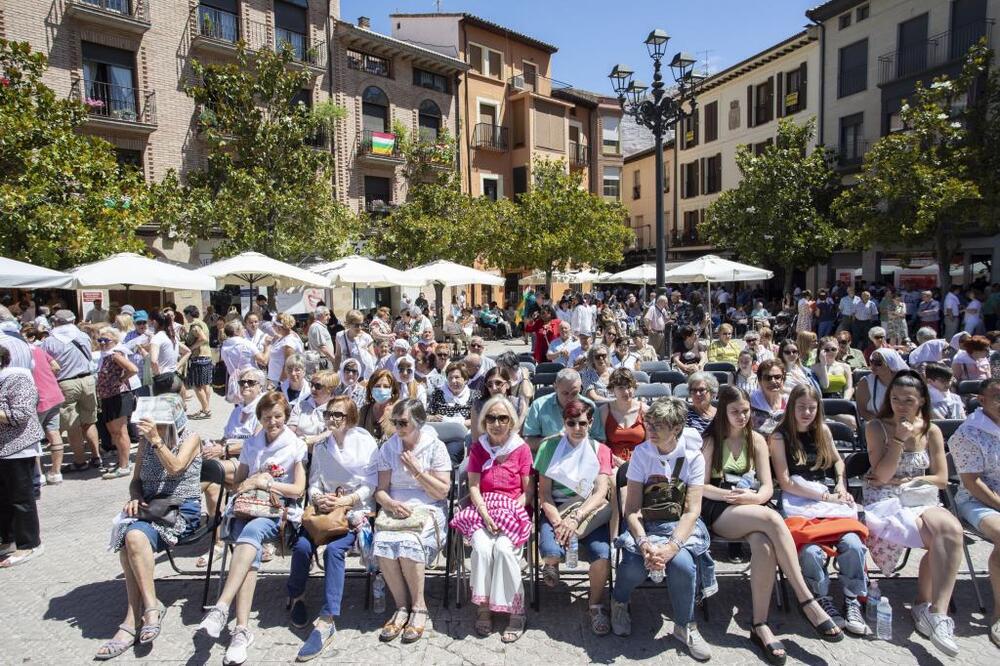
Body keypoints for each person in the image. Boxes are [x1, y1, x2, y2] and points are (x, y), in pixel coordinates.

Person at [701, 386, 844, 661]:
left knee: (764, 546)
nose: (742, 417)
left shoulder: (756, 439)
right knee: (771, 517)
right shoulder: (711, 440)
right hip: (720, 507)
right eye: (735, 412)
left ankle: (760, 625)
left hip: (753, 505)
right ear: (723, 412)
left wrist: (753, 497)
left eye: (746, 411)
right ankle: (806, 599)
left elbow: (768, 487)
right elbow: (701, 486)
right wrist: (733, 496)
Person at [198, 391, 308, 665]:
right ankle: (240, 630)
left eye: (278, 417)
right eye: (267, 417)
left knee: (251, 535)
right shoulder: (253, 443)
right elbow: (242, 481)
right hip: (248, 509)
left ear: (286, 417)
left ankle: (222, 606)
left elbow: (297, 489)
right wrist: (241, 480)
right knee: (249, 545)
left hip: (277, 512)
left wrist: (266, 483)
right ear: (259, 417)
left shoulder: (295, 445)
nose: (273, 422)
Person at [96, 380, 202, 658]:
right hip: (151, 508)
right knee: (129, 537)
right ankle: (144, 611)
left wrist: (157, 440)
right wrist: (134, 497)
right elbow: (135, 482)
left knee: (132, 537)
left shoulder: (191, 437)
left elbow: (176, 468)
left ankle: (137, 617)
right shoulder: (144, 442)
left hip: (181, 509)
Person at [862, 370, 963, 657]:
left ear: (921, 400)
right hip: (885, 499)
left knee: (952, 531)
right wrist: (897, 439)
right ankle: (922, 605)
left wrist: (911, 481)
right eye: (895, 399)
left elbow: (942, 478)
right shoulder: (876, 427)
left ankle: (937, 613)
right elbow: (881, 476)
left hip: (920, 495)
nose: (901, 405)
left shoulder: (931, 429)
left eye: (908, 400)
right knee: (939, 537)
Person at [610, 397, 714, 660]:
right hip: (647, 523)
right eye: (649, 424)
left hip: (680, 525)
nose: (651, 430)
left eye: (658, 426)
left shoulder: (693, 457)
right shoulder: (642, 455)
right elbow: (631, 509)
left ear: (676, 428)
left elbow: (692, 510)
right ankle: (619, 602)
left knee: (681, 564)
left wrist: (671, 547)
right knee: (634, 566)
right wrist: (645, 544)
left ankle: (685, 624)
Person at [768, 385, 868, 636]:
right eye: (801, 407)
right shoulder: (780, 437)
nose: (807, 412)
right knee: (811, 552)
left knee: (854, 544)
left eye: (812, 407)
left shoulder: (822, 430)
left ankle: (852, 597)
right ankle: (819, 598)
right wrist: (826, 496)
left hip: (829, 499)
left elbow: (837, 461)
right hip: (799, 500)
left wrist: (841, 485)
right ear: (791, 407)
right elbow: (786, 481)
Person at [287, 396, 378, 661]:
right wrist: (318, 498)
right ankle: (297, 596)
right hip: (326, 510)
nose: (332, 419)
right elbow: (314, 482)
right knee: (303, 545)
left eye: (338, 414)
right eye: (329, 414)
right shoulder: (323, 446)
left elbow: (371, 482)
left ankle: (327, 619)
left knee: (334, 551)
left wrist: (347, 500)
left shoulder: (365, 443)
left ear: (350, 418)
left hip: (353, 510)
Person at [449, 396, 532, 642]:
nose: (497, 423)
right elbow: (473, 486)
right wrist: (485, 513)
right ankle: (484, 606)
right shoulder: (478, 448)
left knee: (505, 550)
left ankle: (517, 610)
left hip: (512, 510)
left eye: (503, 418)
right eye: (491, 418)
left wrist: (509, 513)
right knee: (483, 549)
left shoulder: (521, 448)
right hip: (483, 509)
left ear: (511, 421)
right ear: (484, 421)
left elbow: (528, 492)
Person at [372, 400, 451, 643]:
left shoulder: (435, 447)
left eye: (403, 422)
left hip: (429, 506)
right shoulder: (388, 448)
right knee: (383, 542)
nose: (398, 427)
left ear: (419, 422)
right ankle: (401, 606)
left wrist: (418, 472)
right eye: (394, 422)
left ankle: (419, 608)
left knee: (408, 544)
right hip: (396, 508)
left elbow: (443, 492)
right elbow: (381, 490)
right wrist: (390, 504)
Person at [535, 400, 614, 636]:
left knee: (602, 555)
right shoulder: (549, 447)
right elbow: (544, 493)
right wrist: (559, 522)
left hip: (588, 510)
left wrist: (576, 518)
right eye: (571, 423)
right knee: (551, 552)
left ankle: (596, 606)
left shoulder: (600, 450)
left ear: (590, 423)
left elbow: (601, 492)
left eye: (582, 423)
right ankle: (554, 561)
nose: (577, 428)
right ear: (564, 423)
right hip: (557, 509)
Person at [950, 378, 1000, 647]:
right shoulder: (968, 434)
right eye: (998, 398)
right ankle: (999, 613)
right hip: (979, 500)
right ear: (982, 401)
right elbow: (973, 483)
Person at [0, 346, 45, 569]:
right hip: (2, 450)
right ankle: (7, 540)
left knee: (20, 498)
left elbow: (21, 414)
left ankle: (29, 544)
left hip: (17, 447)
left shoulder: (17, 378)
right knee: (3, 498)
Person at [44, 309, 102, 470]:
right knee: (90, 421)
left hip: (66, 382)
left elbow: (47, 364)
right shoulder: (83, 336)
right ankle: (96, 456)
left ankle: (80, 461)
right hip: (87, 379)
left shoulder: (50, 341)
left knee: (72, 425)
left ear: (56, 321)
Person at [523, 368, 605, 451]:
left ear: (581, 388)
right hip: (550, 457)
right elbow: (528, 442)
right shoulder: (539, 406)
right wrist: (553, 441)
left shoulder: (590, 407)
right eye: (565, 393)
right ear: (555, 387)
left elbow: (600, 440)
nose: (569, 399)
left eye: (574, 393)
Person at [95, 328, 139, 479]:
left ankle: (124, 465)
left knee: (120, 432)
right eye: (100, 341)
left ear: (114, 341)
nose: (102, 344)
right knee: (114, 432)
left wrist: (121, 379)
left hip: (118, 396)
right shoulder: (104, 356)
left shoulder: (115, 355)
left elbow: (133, 369)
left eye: (106, 341)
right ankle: (122, 461)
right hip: (108, 397)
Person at [25, 329, 64, 485]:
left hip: (39, 398)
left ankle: (38, 475)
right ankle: (56, 472)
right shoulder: (38, 349)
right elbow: (56, 366)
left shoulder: (18, 352)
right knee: (53, 432)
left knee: (33, 437)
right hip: (54, 393)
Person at [597, 368, 646, 464]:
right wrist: (616, 460)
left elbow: (650, 445)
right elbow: (601, 445)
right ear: (612, 389)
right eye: (621, 388)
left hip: (641, 462)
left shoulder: (645, 411)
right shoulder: (604, 411)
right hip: (611, 461)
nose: (626, 392)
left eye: (629, 386)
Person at [470, 367, 527, 440]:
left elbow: (518, 434)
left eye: (498, 383)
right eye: (489, 384)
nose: (494, 388)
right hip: (485, 446)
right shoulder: (478, 405)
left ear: (508, 384)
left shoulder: (519, 404)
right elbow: (476, 438)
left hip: (511, 447)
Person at [288, 370, 338, 450]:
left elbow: (330, 433)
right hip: (296, 449)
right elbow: (290, 430)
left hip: (320, 453)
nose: (313, 388)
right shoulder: (301, 405)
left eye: (318, 386)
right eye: (312, 384)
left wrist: (308, 441)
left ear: (330, 389)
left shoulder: (336, 410)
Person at [855, 348, 908, 422]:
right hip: (877, 424)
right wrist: (884, 423)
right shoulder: (865, 383)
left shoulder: (906, 383)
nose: (873, 365)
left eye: (878, 363)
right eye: (871, 361)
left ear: (890, 364)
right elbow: (862, 411)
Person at [220, 320, 267, 404]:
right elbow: (263, 361)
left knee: (240, 408)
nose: (244, 330)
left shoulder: (224, 347)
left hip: (237, 383)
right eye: (242, 328)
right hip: (251, 381)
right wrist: (267, 346)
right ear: (236, 331)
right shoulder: (246, 343)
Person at [182, 306, 213, 420]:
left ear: (189, 314)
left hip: (198, 357)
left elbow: (203, 338)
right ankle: (206, 408)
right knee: (206, 384)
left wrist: (191, 347)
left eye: (185, 315)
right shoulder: (203, 323)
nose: (185, 318)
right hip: (207, 355)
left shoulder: (195, 326)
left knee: (197, 385)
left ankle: (206, 409)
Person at [149, 310, 188, 392]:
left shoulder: (157, 338)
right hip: (175, 378)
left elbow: (153, 361)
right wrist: (177, 367)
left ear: (154, 322)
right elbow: (187, 351)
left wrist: (157, 375)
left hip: (164, 380)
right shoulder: (171, 336)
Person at [267, 313, 304, 389]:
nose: (272, 327)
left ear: (279, 327)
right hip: (275, 379)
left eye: (274, 325)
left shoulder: (289, 342)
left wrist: (281, 383)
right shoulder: (284, 337)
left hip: (280, 381)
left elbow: (288, 364)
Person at [334, 310, 375, 379]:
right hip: (347, 375)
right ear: (349, 324)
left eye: (362, 324)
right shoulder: (340, 336)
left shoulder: (366, 338)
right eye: (357, 325)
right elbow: (338, 356)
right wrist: (334, 373)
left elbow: (373, 358)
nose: (360, 327)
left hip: (363, 376)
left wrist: (364, 351)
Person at [811, 336, 853, 401]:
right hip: (822, 401)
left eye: (833, 349)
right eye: (826, 350)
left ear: (838, 349)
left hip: (841, 399)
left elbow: (848, 388)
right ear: (820, 350)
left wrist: (845, 401)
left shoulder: (845, 367)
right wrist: (823, 365)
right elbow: (825, 385)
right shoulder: (814, 368)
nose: (831, 352)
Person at [307, 306, 337, 371]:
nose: (329, 317)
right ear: (319, 315)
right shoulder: (317, 327)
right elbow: (322, 347)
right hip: (323, 361)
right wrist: (334, 360)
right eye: (326, 315)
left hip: (324, 360)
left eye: (329, 314)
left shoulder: (319, 326)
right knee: (327, 380)